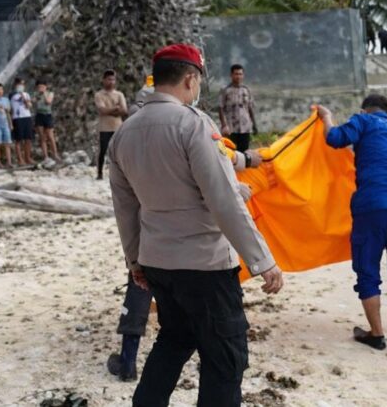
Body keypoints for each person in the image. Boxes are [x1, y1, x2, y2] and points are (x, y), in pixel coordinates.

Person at [108, 43, 282, 406]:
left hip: (157, 261)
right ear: (190, 79)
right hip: (204, 263)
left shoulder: (124, 133)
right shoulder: (193, 124)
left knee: (173, 341)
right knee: (225, 359)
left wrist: (135, 261)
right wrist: (262, 259)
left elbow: (125, 208)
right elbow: (222, 199)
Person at [315, 95, 387, 352]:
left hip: (371, 206)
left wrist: (326, 118)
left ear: (366, 109)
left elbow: (334, 139)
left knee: (368, 270)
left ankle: (377, 334)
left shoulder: (363, 121)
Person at [95, 69, 127, 180]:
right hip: (104, 127)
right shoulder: (99, 95)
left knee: (119, 151)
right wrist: (115, 108)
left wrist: (110, 111)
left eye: (113, 79)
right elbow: (101, 110)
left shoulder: (119, 94)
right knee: (102, 150)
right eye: (109, 79)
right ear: (104, 80)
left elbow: (124, 111)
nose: (111, 82)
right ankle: (99, 173)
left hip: (118, 126)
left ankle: (121, 174)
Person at [217, 64, 257, 152]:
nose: (238, 76)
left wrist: (254, 125)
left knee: (244, 154)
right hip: (231, 128)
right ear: (231, 75)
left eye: (240, 74)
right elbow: (220, 108)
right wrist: (224, 125)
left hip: (245, 128)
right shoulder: (225, 90)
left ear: (243, 75)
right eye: (236, 74)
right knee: (230, 153)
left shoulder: (246, 90)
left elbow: (250, 108)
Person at [10, 78, 35, 165]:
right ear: (16, 85)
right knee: (18, 140)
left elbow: (29, 105)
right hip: (17, 118)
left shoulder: (26, 94)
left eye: (23, 84)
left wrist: (24, 97)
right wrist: (20, 95)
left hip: (27, 117)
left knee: (28, 139)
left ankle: (28, 157)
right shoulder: (12, 95)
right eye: (20, 84)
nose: (22, 86)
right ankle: (20, 159)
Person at [34, 80, 59, 161]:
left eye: (42, 86)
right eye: (39, 87)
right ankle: (46, 156)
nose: (40, 88)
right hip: (39, 115)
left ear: (46, 86)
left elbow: (48, 102)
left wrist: (44, 93)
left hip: (47, 115)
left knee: (50, 136)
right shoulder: (36, 94)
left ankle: (55, 154)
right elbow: (33, 101)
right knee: (42, 137)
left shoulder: (50, 93)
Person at [0, 83, 14, 169]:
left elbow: (8, 113)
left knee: (7, 143)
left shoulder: (6, 100)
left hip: (5, 124)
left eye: (1, 89)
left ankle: (9, 162)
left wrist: (11, 124)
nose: (0, 91)